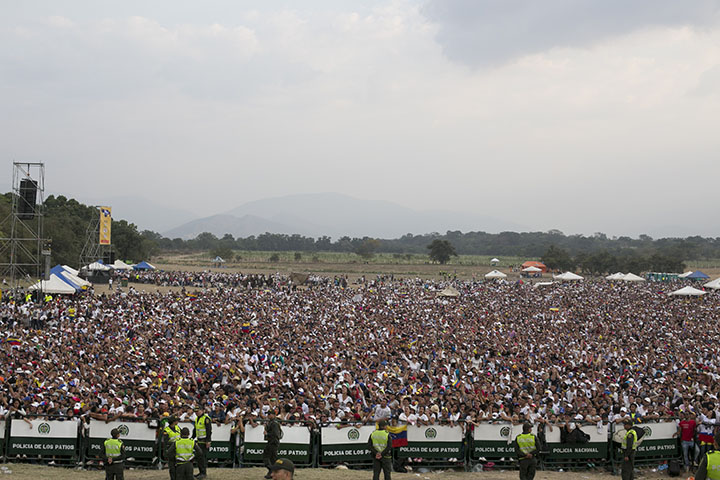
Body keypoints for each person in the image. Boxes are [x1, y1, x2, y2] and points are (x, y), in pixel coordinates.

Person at [193, 405, 212, 479]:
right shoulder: (197, 418)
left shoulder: (206, 419)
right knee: (199, 458)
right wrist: (192, 438)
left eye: (198, 411)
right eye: (195, 412)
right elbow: (195, 430)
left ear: (202, 410)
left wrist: (208, 441)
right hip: (199, 440)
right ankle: (201, 472)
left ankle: (203, 473)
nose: (196, 413)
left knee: (202, 457)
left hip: (204, 441)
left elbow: (208, 431)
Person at [263, 408, 283, 479]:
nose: (268, 416)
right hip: (272, 442)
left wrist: (267, 433)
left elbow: (275, 434)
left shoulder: (274, 423)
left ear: (274, 415)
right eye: (268, 414)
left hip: (273, 442)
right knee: (272, 458)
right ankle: (273, 471)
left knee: (268, 457)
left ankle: (272, 470)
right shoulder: (272, 422)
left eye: (270, 414)